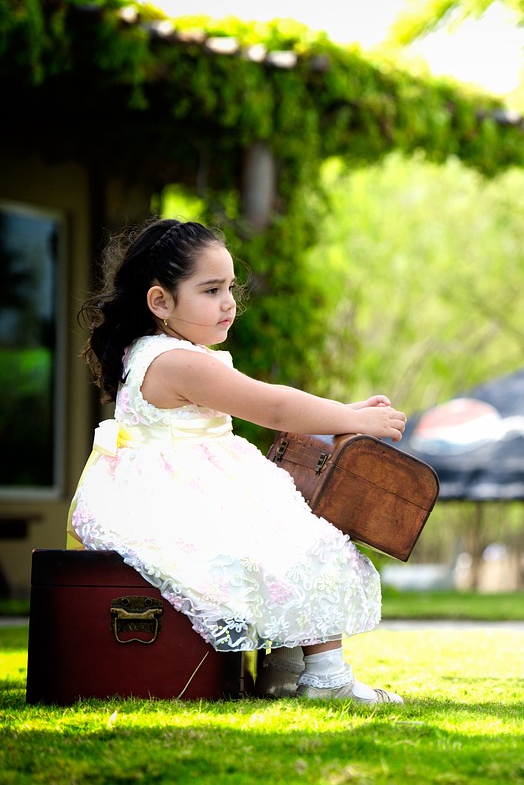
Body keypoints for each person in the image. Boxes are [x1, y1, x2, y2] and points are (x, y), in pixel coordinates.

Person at [70, 218, 407, 705]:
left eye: (230, 287)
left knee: (285, 539)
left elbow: (264, 399)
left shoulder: (160, 352)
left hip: (179, 484)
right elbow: (268, 405)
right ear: (160, 301)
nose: (228, 302)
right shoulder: (177, 362)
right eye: (210, 290)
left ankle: (285, 669)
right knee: (300, 540)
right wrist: (355, 421)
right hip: (173, 495)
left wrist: (346, 414)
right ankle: (325, 677)